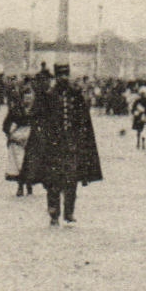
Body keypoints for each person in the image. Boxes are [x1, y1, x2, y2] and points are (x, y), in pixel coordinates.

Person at [19, 64, 102, 226]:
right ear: (56, 77)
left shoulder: (75, 95)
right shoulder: (48, 96)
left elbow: (83, 121)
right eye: (61, 75)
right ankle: (54, 212)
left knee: (71, 180)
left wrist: (81, 141)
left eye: (66, 75)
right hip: (52, 147)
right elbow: (39, 119)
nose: (64, 78)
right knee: (53, 181)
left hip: (72, 146)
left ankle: (69, 212)